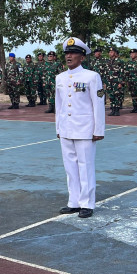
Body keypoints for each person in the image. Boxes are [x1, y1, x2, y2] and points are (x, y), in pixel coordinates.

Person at [55, 37, 105, 219]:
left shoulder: (91, 77)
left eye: (73, 53)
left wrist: (98, 130)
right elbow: (58, 105)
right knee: (70, 167)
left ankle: (87, 203)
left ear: (82, 57)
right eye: (67, 53)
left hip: (85, 129)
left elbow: (98, 104)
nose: (69, 56)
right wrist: (58, 128)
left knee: (85, 166)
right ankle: (73, 202)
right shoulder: (60, 78)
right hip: (66, 129)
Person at [105, 47, 126, 115]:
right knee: (111, 96)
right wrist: (106, 82)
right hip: (109, 82)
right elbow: (106, 72)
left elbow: (122, 73)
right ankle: (113, 110)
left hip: (116, 82)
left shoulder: (120, 61)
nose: (110, 53)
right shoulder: (108, 61)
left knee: (117, 96)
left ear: (115, 53)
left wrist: (121, 82)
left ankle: (117, 110)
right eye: (109, 52)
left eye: (112, 52)